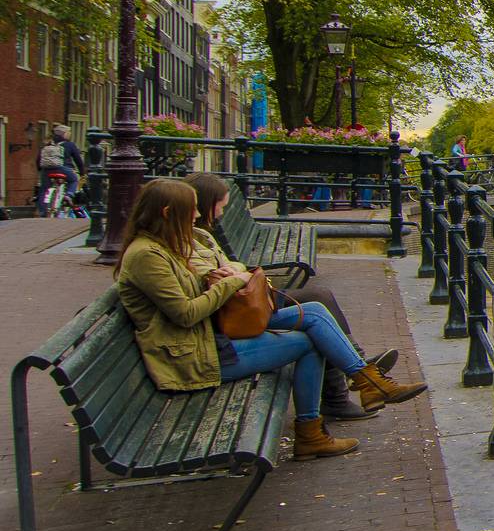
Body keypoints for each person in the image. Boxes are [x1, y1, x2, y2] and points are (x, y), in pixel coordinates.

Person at [116, 179, 362, 460]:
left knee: (314, 311)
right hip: (192, 357)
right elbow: (185, 314)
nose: (197, 216)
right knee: (308, 343)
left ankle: (364, 379)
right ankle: (313, 432)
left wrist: (216, 276)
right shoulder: (147, 256)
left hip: (207, 339)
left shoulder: (163, 245)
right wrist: (230, 283)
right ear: (168, 212)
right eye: (192, 210)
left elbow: (196, 285)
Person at [185, 173, 414, 420]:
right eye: (221, 206)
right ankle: (358, 377)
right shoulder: (185, 243)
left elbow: (233, 266)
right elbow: (211, 283)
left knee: (317, 302)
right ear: (204, 205)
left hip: (240, 304)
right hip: (233, 315)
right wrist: (237, 276)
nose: (221, 213)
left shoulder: (202, 236)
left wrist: (238, 272)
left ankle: (358, 375)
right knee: (315, 313)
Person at [40, 125, 86, 200]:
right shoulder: (70, 145)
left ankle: (42, 210)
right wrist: (82, 173)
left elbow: (39, 159)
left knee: (44, 189)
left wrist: (41, 170)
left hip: (47, 170)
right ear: (65, 134)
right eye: (69, 133)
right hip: (63, 169)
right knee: (74, 180)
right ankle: (68, 195)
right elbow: (78, 161)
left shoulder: (47, 145)